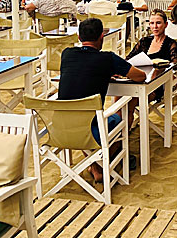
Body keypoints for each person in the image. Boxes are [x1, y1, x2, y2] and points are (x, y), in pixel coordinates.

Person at [58, 18, 145, 181]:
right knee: (123, 115)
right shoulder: (108, 59)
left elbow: (81, 70)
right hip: (91, 129)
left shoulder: (67, 54)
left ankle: (94, 165)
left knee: (82, 116)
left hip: (60, 128)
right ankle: (99, 165)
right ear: (102, 37)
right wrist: (109, 70)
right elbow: (141, 76)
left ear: (78, 37)